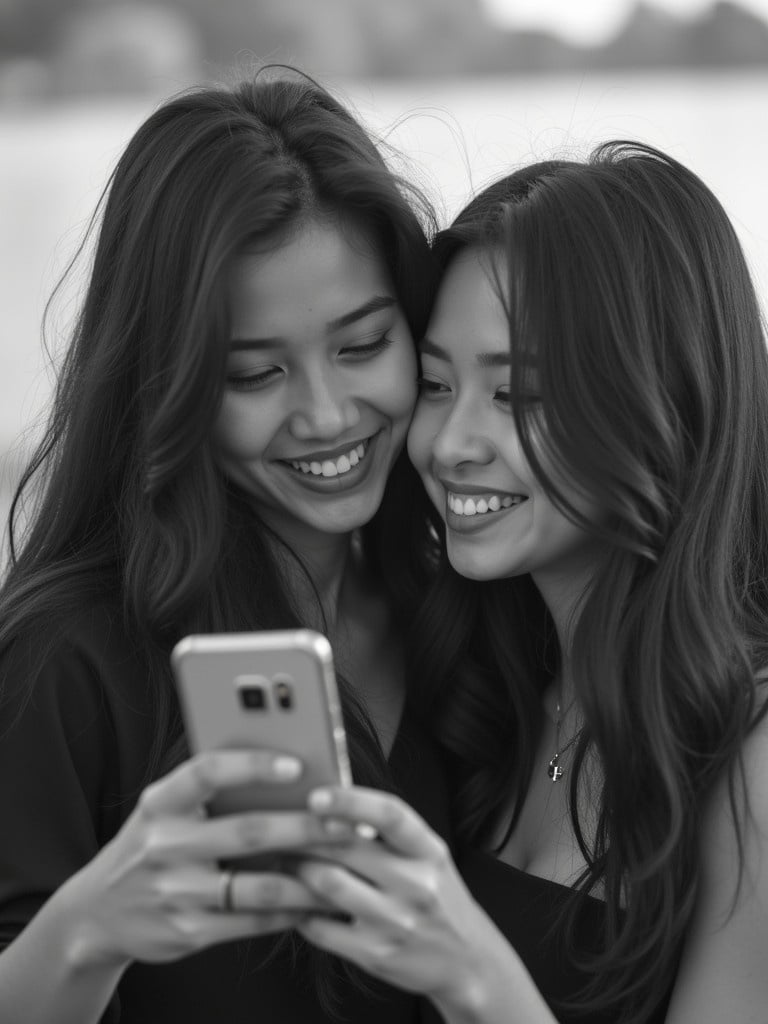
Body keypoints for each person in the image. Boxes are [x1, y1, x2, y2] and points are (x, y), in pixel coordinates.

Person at [0, 68, 447, 1023]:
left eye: (364, 345)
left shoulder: (463, 605)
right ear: (167, 387)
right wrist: (90, 928)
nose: (326, 415)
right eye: (255, 373)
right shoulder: (72, 659)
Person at [291, 142, 768, 1024]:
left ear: (661, 399)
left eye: (519, 396)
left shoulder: (749, 758)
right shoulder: (487, 688)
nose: (451, 442)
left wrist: (477, 979)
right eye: (436, 384)